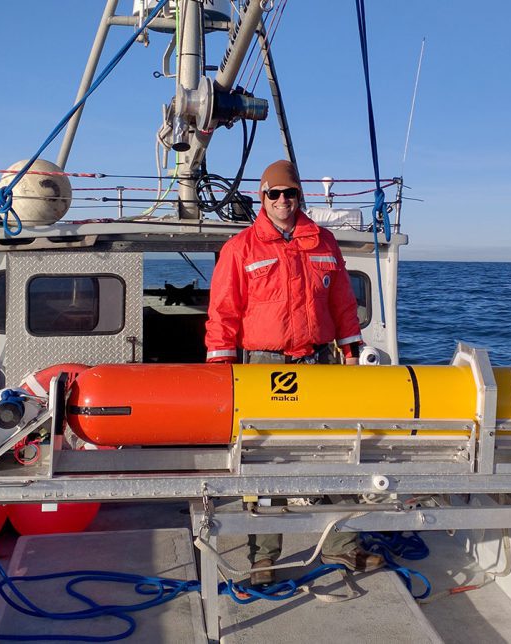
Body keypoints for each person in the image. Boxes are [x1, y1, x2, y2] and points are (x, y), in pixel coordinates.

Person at [205, 159, 384, 585]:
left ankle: (344, 546)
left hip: (320, 361)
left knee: (337, 450)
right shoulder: (241, 249)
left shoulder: (324, 242)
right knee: (266, 459)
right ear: (261, 197)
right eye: (274, 194)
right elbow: (223, 313)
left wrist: (351, 350)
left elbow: (342, 302)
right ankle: (264, 558)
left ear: (299, 196)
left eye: (290, 194)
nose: (283, 201)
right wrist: (222, 369)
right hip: (265, 366)